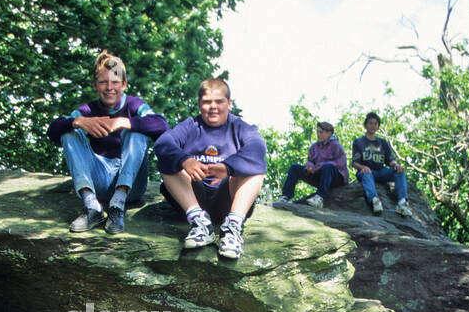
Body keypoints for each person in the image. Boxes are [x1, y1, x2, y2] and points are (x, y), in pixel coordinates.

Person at [46, 51, 168, 235]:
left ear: (124, 84)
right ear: (95, 85)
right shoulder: (88, 109)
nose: (109, 87)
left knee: (137, 132)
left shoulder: (134, 105)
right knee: (69, 133)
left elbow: (161, 124)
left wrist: (124, 122)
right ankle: (92, 207)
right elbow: (53, 130)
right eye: (103, 82)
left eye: (115, 82)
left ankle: (117, 206)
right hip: (99, 180)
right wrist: (77, 122)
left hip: (131, 185)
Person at [153, 78, 267, 261]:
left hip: (227, 198)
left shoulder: (240, 127)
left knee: (255, 168)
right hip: (193, 196)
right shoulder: (190, 126)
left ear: (229, 103)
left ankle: (232, 228)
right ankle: (200, 224)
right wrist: (185, 160)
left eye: (219, 101)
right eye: (207, 102)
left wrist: (228, 167)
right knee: (168, 161)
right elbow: (162, 143)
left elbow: (258, 148)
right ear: (199, 104)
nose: (213, 107)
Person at [350, 111, 412, 217]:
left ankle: (402, 203)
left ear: (378, 126)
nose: (372, 126)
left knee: (399, 171)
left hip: (381, 171)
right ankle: (374, 200)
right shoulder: (359, 142)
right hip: (367, 172)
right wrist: (363, 167)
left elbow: (390, 159)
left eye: (375, 123)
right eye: (370, 123)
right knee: (366, 173)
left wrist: (396, 165)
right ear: (365, 125)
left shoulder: (383, 143)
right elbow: (355, 163)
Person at [276, 121, 348, 206]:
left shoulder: (336, 145)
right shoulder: (314, 146)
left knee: (327, 167)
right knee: (294, 168)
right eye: (317, 132)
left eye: (321, 132)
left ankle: (320, 198)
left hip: (335, 178)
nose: (318, 134)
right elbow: (310, 160)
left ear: (329, 133)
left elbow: (340, 163)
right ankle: (286, 196)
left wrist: (319, 166)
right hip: (319, 176)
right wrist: (309, 167)